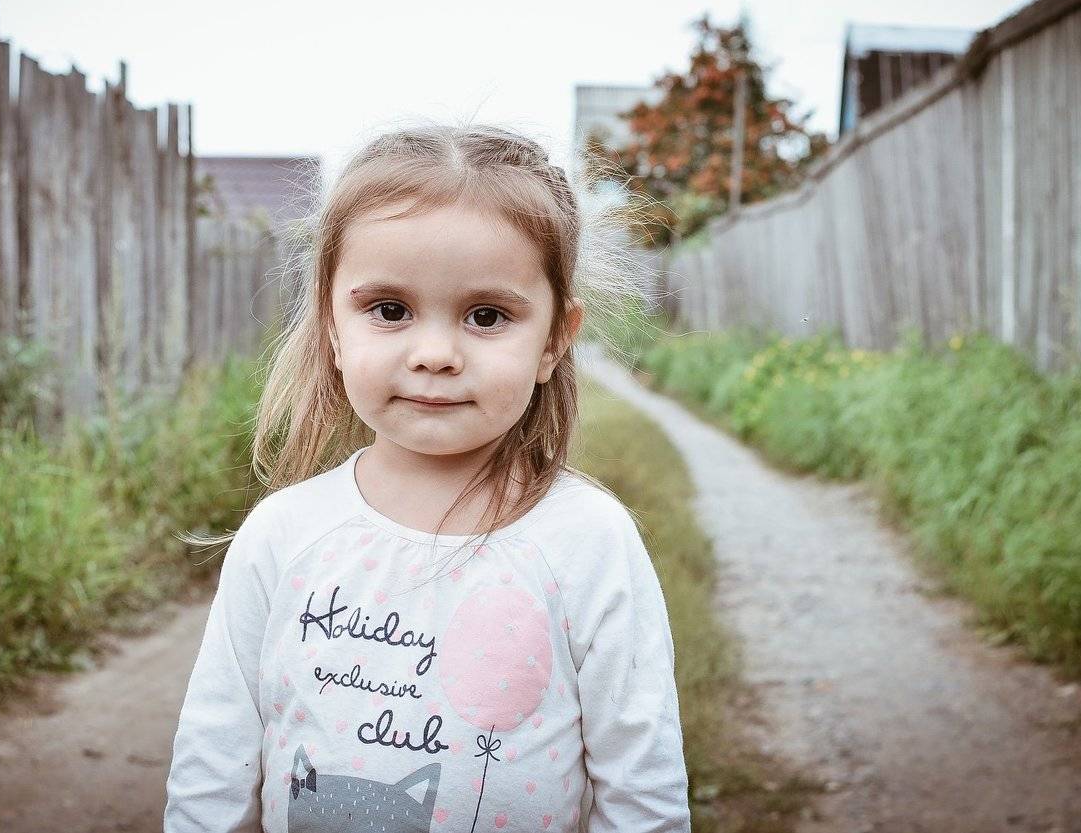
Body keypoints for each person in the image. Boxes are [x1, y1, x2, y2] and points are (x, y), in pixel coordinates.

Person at [163, 122, 691, 833]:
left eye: (486, 316)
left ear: (554, 340)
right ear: (332, 327)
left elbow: (642, 788)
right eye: (390, 311)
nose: (435, 353)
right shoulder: (285, 534)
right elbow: (212, 765)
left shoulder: (587, 542)